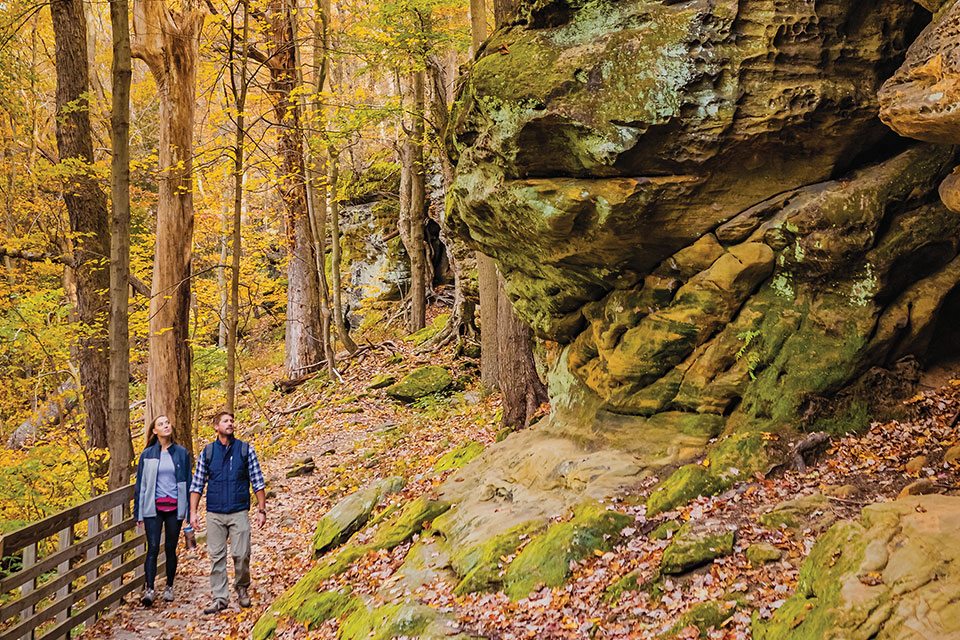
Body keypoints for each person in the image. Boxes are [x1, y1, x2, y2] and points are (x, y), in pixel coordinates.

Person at [190, 410, 266, 613]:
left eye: (231, 421)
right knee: (216, 556)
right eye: (225, 421)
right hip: (214, 512)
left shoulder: (245, 450)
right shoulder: (208, 452)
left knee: (241, 554)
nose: (230, 423)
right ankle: (220, 597)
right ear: (216, 427)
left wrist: (261, 509)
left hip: (238, 510)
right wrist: (193, 512)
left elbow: (257, 481)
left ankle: (242, 587)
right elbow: (197, 484)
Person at [134, 415, 192, 606]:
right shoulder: (147, 454)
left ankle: (169, 586)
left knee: (170, 548)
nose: (166, 426)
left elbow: (188, 482)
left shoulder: (181, 453)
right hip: (153, 507)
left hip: (175, 508)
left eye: (167, 423)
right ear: (154, 431)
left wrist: (190, 512)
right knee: (152, 547)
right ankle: (150, 589)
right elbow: (141, 485)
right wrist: (138, 512)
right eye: (161, 424)